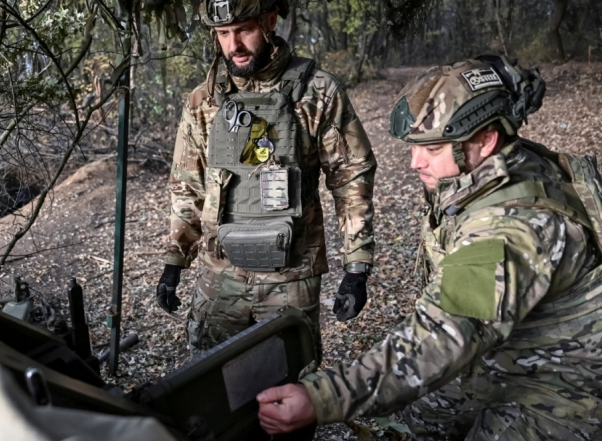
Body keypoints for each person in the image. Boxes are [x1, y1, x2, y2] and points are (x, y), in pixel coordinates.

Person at [256, 56, 602, 440]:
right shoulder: (504, 165)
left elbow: (442, 335)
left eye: (433, 149)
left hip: (566, 389)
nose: (414, 162)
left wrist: (321, 398)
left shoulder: (512, 227)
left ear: (485, 141)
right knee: (421, 414)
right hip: (518, 349)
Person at [155, 0, 377, 357]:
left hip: (291, 274)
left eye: (244, 30)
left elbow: (351, 177)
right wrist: (175, 259)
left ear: (270, 21)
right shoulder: (203, 101)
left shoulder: (317, 92)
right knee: (212, 383)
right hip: (220, 273)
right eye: (223, 34)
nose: (233, 44)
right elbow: (187, 186)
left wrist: (356, 267)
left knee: (291, 385)